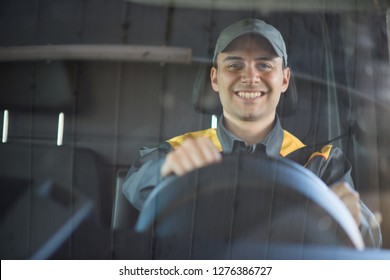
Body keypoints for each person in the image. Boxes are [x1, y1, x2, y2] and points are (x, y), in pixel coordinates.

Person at [122, 18, 382, 248]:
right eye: (234, 65)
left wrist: (353, 220)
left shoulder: (320, 163)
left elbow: (370, 235)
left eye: (265, 66)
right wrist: (166, 171)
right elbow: (134, 182)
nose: (250, 77)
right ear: (214, 78)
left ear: (284, 79)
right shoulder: (182, 152)